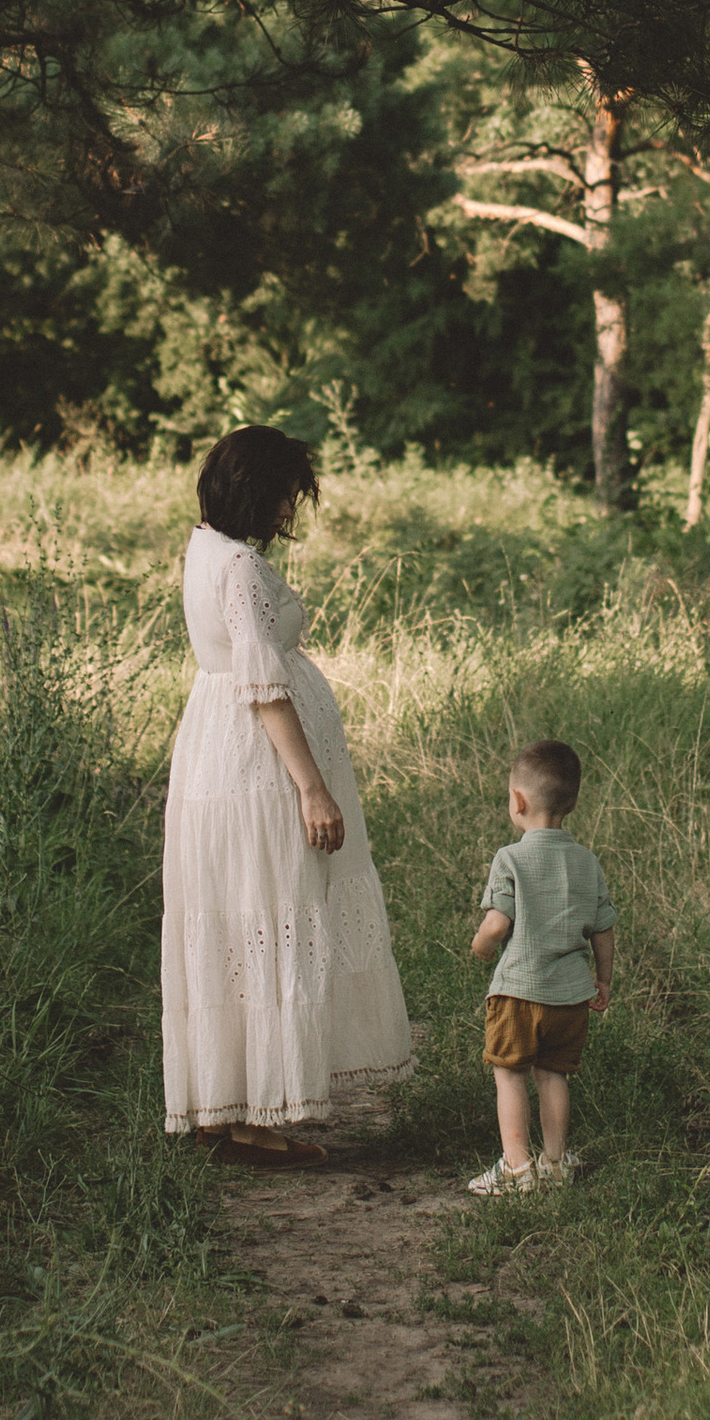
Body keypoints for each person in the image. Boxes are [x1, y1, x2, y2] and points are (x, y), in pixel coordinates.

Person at [162, 425, 413, 1161]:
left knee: (239, 912)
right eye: (283, 499)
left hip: (216, 747)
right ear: (258, 492)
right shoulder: (237, 567)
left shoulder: (203, 544)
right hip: (255, 762)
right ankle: (254, 1115)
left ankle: (227, 1106)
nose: (288, 516)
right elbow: (265, 687)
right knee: (268, 907)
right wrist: (313, 789)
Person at [468, 738, 614, 1197]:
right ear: (571, 802)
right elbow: (603, 931)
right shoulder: (587, 862)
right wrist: (604, 980)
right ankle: (554, 1162)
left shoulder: (510, 858)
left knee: (510, 1075)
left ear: (517, 800)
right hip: (570, 997)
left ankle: (516, 1168)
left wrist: (481, 947)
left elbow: (497, 923)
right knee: (553, 1074)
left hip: (517, 993)